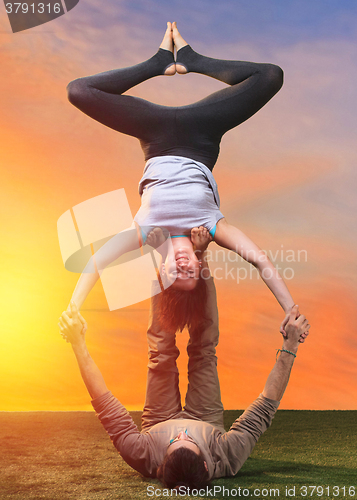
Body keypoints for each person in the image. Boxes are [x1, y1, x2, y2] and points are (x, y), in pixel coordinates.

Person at [66, 22, 305, 336]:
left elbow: (98, 261)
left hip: (155, 133)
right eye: (190, 273)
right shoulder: (212, 227)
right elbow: (260, 261)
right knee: (271, 76)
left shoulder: (144, 231)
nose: (182, 267)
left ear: (161, 269)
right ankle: (191, 59)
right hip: (202, 133)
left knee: (78, 91)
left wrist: (73, 307)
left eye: (174, 273)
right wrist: (289, 308)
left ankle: (157, 62)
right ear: (199, 267)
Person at [58, 228, 310, 490]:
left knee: (161, 352)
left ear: (160, 466)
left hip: (159, 419)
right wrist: (291, 344)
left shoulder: (142, 455)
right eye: (186, 441)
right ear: (206, 465)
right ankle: (199, 256)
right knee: (203, 350)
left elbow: (104, 403)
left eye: (174, 441)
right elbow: (265, 405)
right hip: (205, 418)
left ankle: (165, 258)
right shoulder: (227, 456)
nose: (182, 433)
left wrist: (78, 343)